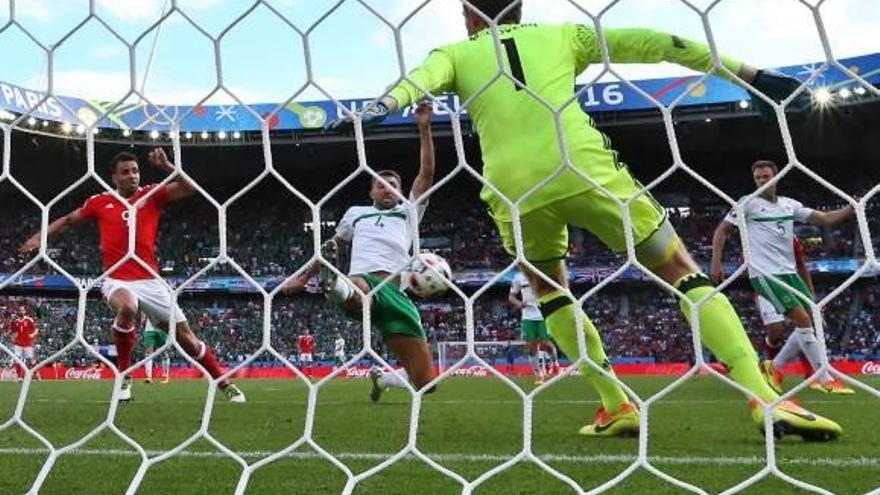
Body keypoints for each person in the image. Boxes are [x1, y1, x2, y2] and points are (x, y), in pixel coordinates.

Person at [332, 0, 841, 439]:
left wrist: (380, 105)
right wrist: (752, 76)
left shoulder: (455, 53)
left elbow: (415, 83)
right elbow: (658, 42)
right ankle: (761, 395)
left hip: (514, 190)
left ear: (468, 17)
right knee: (680, 271)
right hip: (583, 167)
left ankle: (615, 403)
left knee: (549, 290)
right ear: (520, 8)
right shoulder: (562, 34)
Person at [20, 149, 244, 403]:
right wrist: (41, 237)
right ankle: (124, 375)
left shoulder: (151, 195)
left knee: (188, 341)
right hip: (117, 280)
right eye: (125, 172)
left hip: (151, 281)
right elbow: (69, 220)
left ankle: (223, 382)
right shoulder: (100, 201)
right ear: (114, 177)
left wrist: (167, 165)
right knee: (128, 307)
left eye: (135, 171)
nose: (131, 176)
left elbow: (188, 188)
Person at [284, 101, 437, 403]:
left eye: (392, 185)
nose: (386, 188)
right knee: (360, 291)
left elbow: (427, 173)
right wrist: (302, 278)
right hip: (365, 281)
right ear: (371, 192)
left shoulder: (409, 213)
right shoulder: (356, 214)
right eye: (380, 185)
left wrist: (424, 128)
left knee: (425, 382)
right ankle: (336, 286)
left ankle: (384, 378)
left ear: (399, 191)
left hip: (397, 295)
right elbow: (330, 246)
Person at [711, 160, 855, 395]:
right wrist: (716, 263)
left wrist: (852, 208)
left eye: (765, 176)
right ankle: (824, 377)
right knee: (802, 320)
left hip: (789, 273)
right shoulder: (747, 203)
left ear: (776, 178)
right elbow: (721, 231)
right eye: (757, 178)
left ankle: (775, 367)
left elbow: (825, 218)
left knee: (812, 320)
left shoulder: (789, 205)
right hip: (766, 274)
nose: (761, 181)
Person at [509, 270, 559, 384]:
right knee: (531, 346)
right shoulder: (518, 277)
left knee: (546, 345)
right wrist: (519, 303)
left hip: (544, 315)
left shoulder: (542, 273)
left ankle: (555, 363)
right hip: (528, 317)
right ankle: (538, 374)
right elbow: (511, 296)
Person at [6, 306, 40, 381]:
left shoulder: (29, 320)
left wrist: (32, 335)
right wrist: (13, 338)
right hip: (18, 344)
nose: (21, 312)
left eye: (22, 310)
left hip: (28, 343)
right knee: (17, 360)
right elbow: (14, 332)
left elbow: (36, 329)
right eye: (20, 310)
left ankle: (35, 374)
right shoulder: (15, 322)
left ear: (25, 312)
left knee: (31, 360)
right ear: (18, 312)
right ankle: (19, 377)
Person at [142, 316, 171, 384]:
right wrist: (143, 317)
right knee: (148, 351)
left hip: (162, 328)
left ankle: (165, 376)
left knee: (164, 352)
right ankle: (148, 376)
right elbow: (144, 306)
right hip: (149, 329)